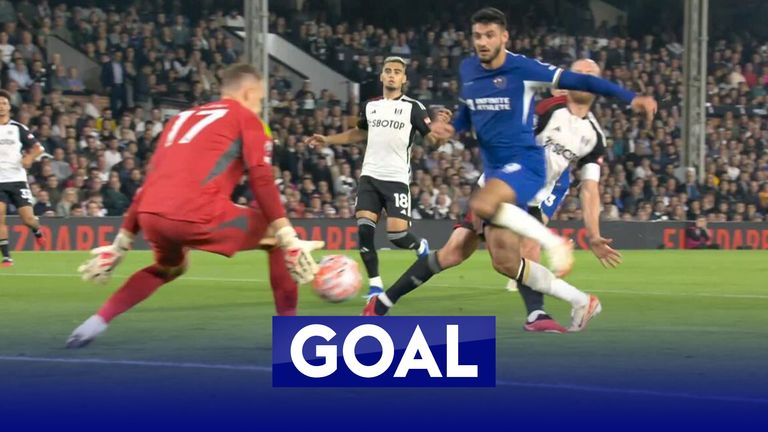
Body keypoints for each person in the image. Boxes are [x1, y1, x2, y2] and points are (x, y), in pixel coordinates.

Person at [364, 8, 655, 330]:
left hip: (526, 171)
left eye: (490, 35)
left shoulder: (527, 73)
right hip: (494, 173)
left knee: (487, 209)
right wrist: (451, 127)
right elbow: (470, 110)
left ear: (504, 37)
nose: (483, 42)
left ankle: (551, 254)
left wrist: (632, 98)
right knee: (473, 256)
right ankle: (580, 302)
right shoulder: (472, 71)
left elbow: (589, 186)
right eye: (478, 36)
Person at [67, 64, 324, 348]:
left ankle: (95, 322)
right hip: (197, 213)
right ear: (249, 92)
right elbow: (262, 180)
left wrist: (120, 244)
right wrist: (288, 236)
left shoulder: (181, 119)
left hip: (151, 214)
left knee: (170, 267)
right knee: (275, 240)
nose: (260, 104)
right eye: (261, 99)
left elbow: (149, 182)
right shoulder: (247, 120)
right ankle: (291, 335)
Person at [305, 56, 453, 299]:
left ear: (404, 79)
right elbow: (358, 134)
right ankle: (375, 285)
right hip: (370, 177)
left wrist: (440, 135)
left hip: (396, 180)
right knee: (364, 231)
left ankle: (420, 246)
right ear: (382, 76)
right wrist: (327, 139)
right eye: (388, 71)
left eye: (397, 71)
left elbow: (432, 145)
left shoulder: (414, 108)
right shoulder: (370, 106)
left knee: (397, 236)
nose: (392, 75)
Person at [0, 89, 47, 267]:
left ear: (9, 107)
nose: (1, 107)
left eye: (4, 103)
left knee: (28, 219)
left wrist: (29, 158)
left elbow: (38, 148)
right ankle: (6, 257)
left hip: (17, 179)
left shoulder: (18, 128)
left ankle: (37, 230)